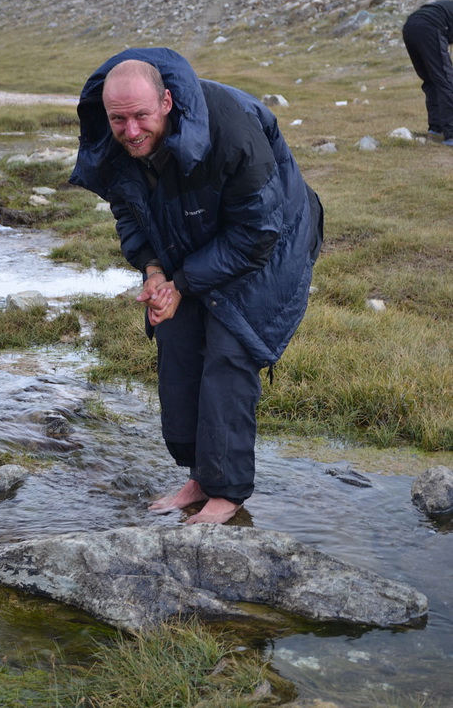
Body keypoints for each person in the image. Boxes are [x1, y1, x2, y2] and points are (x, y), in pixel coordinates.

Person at [70, 47, 323, 525]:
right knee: (177, 337)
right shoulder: (115, 136)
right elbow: (126, 206)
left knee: (229, 348)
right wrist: (154, 272)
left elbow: (257, 233)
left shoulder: (231, 129)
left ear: (166, 102)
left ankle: (227, 493)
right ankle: (200, 476)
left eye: (141, 116)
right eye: (118, 119)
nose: (131, 131)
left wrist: (183, 280)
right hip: (191, 236)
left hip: (273, 240)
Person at [402, 0, 453, 145]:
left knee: (432, 80)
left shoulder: (447, 8)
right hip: (431, 27)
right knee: (445, 80)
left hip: (410, 27)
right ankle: (451, 134)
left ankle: (436, 128)